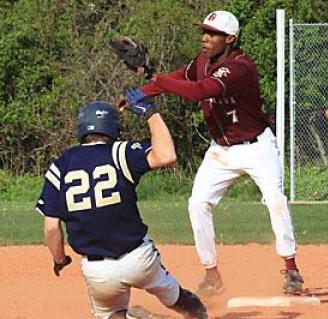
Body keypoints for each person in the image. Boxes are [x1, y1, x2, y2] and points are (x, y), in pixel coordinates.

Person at [117, 10, 304, 296]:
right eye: (204, 32)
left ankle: (291, 269)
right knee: (197, 204)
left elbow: (199, 92)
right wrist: (141, 92)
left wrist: (154, 74)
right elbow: (180, 77)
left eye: (212, 33)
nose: (205, 38)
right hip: (221, 150)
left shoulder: (240, 67)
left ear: (230, 38)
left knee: (275, 200)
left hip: (257, 147)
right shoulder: (202, 61)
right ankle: (212, 274)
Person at [35, 99, 209, 319]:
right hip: (140, 258)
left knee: (109, 315)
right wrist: (150, 112)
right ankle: (200, 315)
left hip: (99, 271)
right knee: (178, 298)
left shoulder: (61, 165)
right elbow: (167, 155)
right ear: (113, 127)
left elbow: (51, 228)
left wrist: (60, 260)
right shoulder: (120, 152)